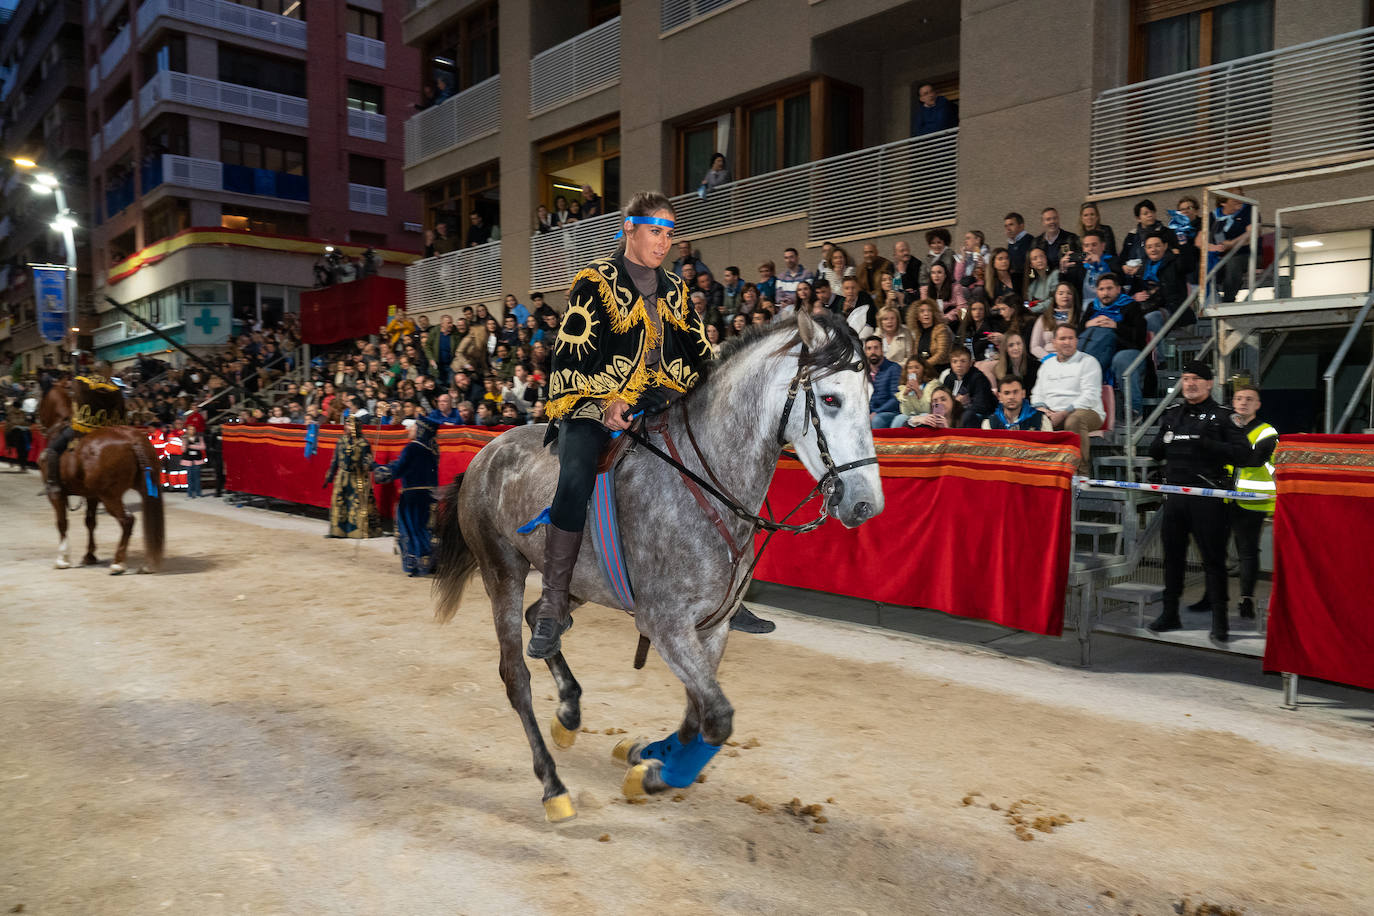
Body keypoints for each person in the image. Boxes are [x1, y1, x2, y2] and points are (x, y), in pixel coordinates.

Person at [532, 191, 713, 659]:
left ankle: (720, 590)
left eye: (670, 234)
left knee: (716, 461)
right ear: (629, 229)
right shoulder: (594, 281)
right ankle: (554, 602)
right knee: (573, 480)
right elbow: (570, 354)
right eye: (656, 231)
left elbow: (701, 354)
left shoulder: (675, 288)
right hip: (590, 401)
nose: (664, 242)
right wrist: (604, 400)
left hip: (659, 396)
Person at [1146, 363, 1255, 643]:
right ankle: (1170, 614)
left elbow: (1243, 455)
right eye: (1185, 379)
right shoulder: (1172, 415)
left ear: (1209, 384)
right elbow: (1156, 450)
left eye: (1196, 379)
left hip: (1208, 500)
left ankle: (1220, 622)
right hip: (1176, 499)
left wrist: (1210, 445)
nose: (1190, 384)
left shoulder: (1223, 417)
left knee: (1213, 562)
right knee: (1172, 559)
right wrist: (1163, 443)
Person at [1223, 385, 1278, 620]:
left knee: (1247, 551)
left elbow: (1254, 460)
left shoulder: (1267, 432)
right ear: (1233, 403)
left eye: (1249, 399)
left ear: (1258, 405)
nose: (1243, 402)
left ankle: (1246, 599)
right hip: (1225, 497)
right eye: (1239, 398)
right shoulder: (1224, 428)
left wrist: (1223, 449)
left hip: (1252, 502)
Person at [41, 360, 127, 497]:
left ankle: (53, 484)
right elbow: (122, 412)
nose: (112, 374)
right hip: (107, 431)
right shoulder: (115, 389)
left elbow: (75, 402)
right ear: (107, 371)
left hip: (81, 428)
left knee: (52, 449)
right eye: (111, 371)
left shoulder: (81, 383)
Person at [1030, 325, 1104, 475]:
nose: (1067, 342)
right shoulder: (1047, 365)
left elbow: (1090, 396)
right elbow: (1037, 394)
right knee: (1030, 419)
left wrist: (1063, 413)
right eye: (1062, 338)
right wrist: (1044, 411)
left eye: (1071, 338)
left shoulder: (1088, 362)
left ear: (1076, 341)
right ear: (1054, 342)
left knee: (1074, 421)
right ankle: (1039, 475)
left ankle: (1081, 474)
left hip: (1086, 411)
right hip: (1052, 413)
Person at [373, 416, 441, 576]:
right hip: (429, 496)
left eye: (413, 427)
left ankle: (416, 564)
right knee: (425, 529)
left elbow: (397, 469)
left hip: (412, 497)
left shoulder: (412, 448)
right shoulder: (432, 450)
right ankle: (429, 562)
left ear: (420, 431)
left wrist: (375, 467)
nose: (408, 430)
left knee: (411, 529)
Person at [1078, 273, 1148, 418]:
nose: (1105, 293)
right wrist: (1087, 324)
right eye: (1101, 289)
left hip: (1128, 351)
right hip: (1098, 352)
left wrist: (1116, 326)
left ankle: (1133, 411)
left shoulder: (1131, 306)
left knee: (1120, 359)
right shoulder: (1092, 307)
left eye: (1109, 288)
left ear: (1118, 289)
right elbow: (1078, 334)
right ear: (1097, 292)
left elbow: (1139, 337)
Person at [324, 415, 383, 539]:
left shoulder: (363, 444)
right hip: (343, 477)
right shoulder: (341, 441)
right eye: (347, 425)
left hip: (358, 477)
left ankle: (359, 531)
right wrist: (330, 476)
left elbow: (367, 461)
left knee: (357, 505)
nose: (348, 427)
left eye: (351, 425)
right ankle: (338, 531)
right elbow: (335, 460)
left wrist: (370, 465)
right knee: (340, 504)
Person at [1208, 194, 1252, 302]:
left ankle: (1228, 300)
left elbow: (1251, 236)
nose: (1238, 200)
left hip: (1246, 254)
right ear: (1223, 203)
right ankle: (1211, 298)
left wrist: (1232, 243)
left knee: (1233, 263)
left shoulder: (1248, 210)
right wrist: (1223, 245)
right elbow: (1220, 241)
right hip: (1225, 255)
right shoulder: (1217, 218)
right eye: (1233, 198)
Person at [941, 347, 994, 426]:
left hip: (977, 415)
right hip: (954, 413)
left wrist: (957, 405)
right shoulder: (949, 378)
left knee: (966, 416)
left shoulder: (979, 378)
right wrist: (956, 403)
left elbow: (982, 406)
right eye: (955, 361)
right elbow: (941, 400)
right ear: (951, 364)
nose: (959, 365)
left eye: (963, 361)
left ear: (970, 363)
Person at [983, 375, 1053, 431]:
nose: (1011, 397)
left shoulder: (1040, 419)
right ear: (999, 397)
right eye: (1007, 393)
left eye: (1015, 392)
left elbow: (1049, 447)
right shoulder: (990, 424)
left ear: (1023, 394)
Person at [905, 297, 953, 374]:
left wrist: (923, 365)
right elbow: (915, 356)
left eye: (929, 311)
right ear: (917, 317)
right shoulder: (918, 334)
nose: (926, 313)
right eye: (922, 311)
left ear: (933, 314)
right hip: (923, 371)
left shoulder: (941, 329)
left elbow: (941, 354)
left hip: (940, 370)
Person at [889, 356, 939, 427]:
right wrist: (905, 395)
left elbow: (927, 410)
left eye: (917, 367)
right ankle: (893, 438)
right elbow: (905, 412)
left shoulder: (932, 385)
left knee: (924, 416)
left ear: (924, 369)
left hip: (927, 415)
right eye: (910, 368)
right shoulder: (904, 387)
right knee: (900, 418)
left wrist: (918, 391)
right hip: (912, 416)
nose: (913, 371)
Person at [864, 335, 902, 429]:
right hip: (870, 412)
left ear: (882, 350)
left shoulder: (894, 368)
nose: (873, 352)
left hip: (890, 412)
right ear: (865, 352)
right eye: (869, 348)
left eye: (876, 348)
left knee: (877, 420)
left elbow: (896, 398)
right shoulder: (863, 372)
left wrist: (876, 412)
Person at [182, 427, 207, 498]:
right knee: (189, 477)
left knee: (197, 477)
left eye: (193, 429)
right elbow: (183, 450)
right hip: (188, 460)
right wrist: (185, 444)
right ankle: (190, 494)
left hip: (197, 460)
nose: (191, 431)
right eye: (190, 429)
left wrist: (190, 446)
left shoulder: (199, 438)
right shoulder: (185, 438)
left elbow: (202, 447)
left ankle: (198, 493)